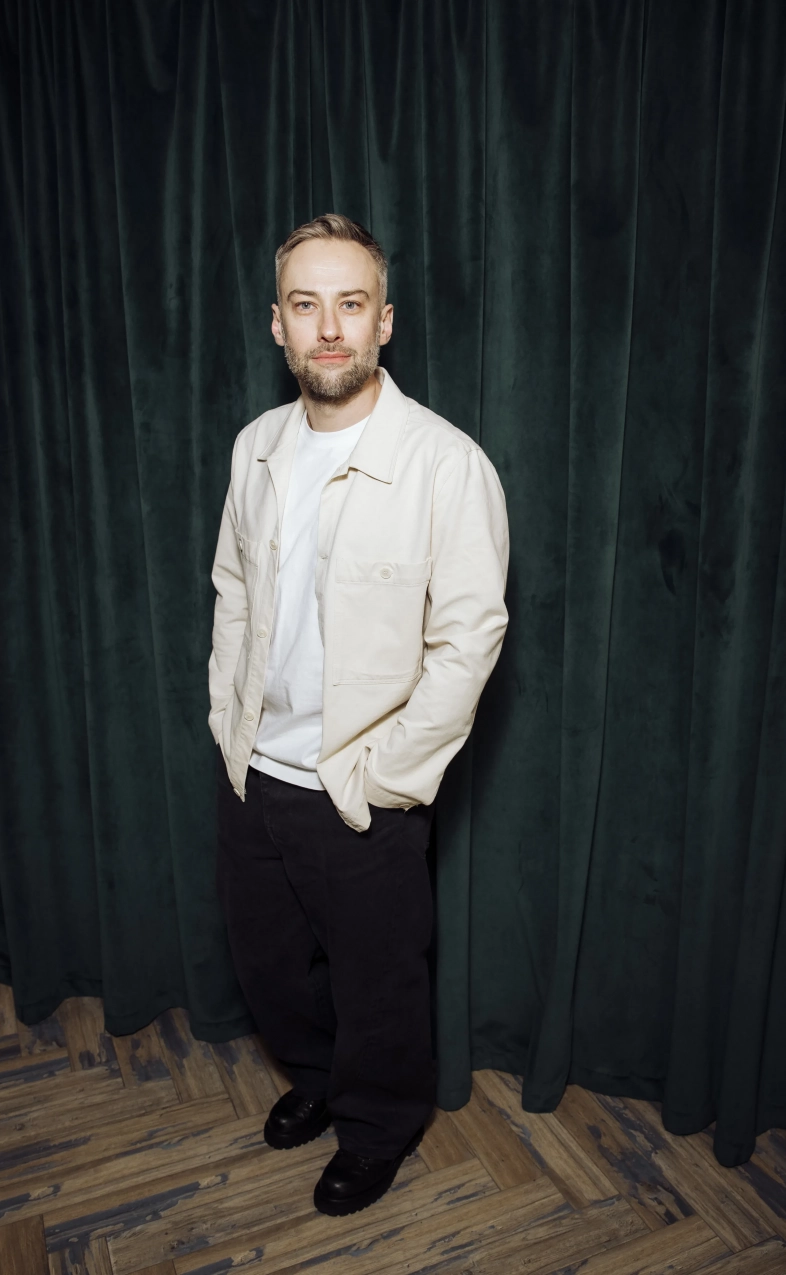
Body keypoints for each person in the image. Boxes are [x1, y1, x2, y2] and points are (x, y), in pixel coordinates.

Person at [209, 214, 509, 1217]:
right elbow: (233, 591)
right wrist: (226, 721)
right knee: (270, 964)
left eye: (351, 304)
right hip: (256, 771)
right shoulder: (256, 446)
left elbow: (469, 638)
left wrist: (389, 776)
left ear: (385, 322)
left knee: (380, 980)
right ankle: (318, 1077)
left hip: (360, 787)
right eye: (307, 305)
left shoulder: (445, 463)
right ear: (277, 324)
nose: (329, 327)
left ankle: (378, 1126)